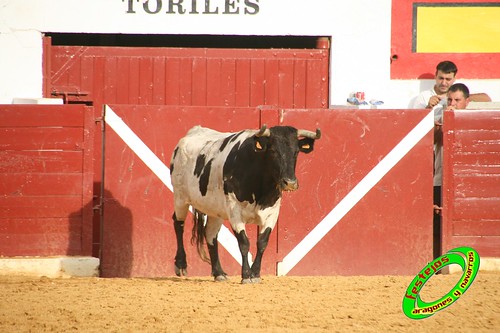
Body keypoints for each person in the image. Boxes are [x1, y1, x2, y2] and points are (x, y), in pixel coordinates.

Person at [432, 83, 470, 259]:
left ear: (467, 102)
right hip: (440, 178)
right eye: (449, 99)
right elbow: (436, 141)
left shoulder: (471, 119)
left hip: (463, 184)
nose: (452, 103)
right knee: (436, 222)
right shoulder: (440, 116)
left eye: (457, 100)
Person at [409, 60, 491, 109]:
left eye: (448, 79)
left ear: (454, 78)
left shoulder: (460, 91)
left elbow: (487, 99)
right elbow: (417, 123)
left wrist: (460, 98)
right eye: (441, 78)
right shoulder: (424, 96)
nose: (444, 83)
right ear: (435, 77)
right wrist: (428, 107)